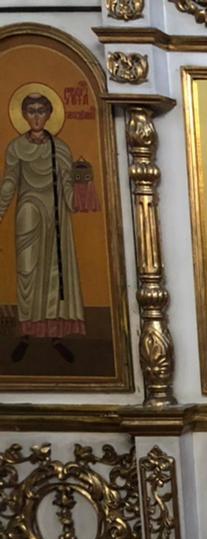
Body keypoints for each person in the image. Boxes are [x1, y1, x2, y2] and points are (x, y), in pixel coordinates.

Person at [0, 92, 87, 364]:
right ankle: (26, 334)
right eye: (31, 111)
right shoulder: (16, 147)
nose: (36, 116)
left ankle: (55, 337)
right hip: (28, 213)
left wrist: (82, 187)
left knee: (54, 275)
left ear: (49, 114)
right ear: (24, 115)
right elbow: (10, 182)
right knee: (27, 272)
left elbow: (68, 186)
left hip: (56, 217)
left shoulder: (59, 148)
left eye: (41, 110)